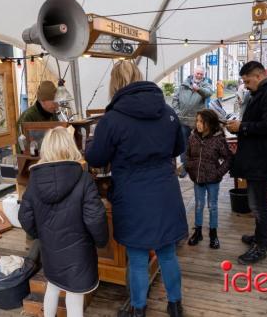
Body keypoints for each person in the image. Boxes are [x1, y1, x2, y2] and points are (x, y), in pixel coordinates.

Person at [86, 61, 188, 317]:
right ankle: (175, 306)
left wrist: (90, 144)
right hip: (165, 191)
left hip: (132, 195)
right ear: (140, 78)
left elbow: (96, 158)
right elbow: (178, 148)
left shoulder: (112, 119)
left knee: (139, 258)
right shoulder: (167, 112)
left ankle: (138, 309)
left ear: (114, 83)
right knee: (167, 254)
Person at [18, 127, 108, 317]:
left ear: (46, 149)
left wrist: (41, 234)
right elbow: (96, 217)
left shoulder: (34, 181)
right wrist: (101, 241)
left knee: (53, 286)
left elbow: (25, 217)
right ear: (70, 147)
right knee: (74, 297)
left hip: (50, 249)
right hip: (79, 252)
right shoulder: (83, 178)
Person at [226, 61, 267, 265]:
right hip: (256, 158)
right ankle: (261, 236)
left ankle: (261, 245)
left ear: (259, 76)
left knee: (258, 204)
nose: (246, 85)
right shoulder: (261, 93)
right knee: (257, 203)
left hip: (262, 158)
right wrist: (239, 126)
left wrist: (242, 126)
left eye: (247, 81)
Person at [185, 109, 232, 249]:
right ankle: (198, 232)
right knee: (199, 205)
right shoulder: (192, 137)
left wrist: (218, 173)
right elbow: (187, 155)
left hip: (212, 180)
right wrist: (189, 167)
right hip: (197, 178)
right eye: (197, 121)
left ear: (210, 123)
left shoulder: (218, 139)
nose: (198, 124)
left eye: (202, 121)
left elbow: (229, 158)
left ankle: (213, 234)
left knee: (212, 207)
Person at [172, 66, 213, 178]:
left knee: (199, 144)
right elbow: (175, 99)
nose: (199, 76)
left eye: (201, 74)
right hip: (183, 120)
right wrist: (177, 112)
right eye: (197, 74)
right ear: (193, 74)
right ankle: (185, 167)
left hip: (198, 122)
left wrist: (198, 89)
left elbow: (208, 93)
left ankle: (198, 167)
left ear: (203, 75)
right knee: (184, 145)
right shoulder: (183, 85)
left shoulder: (205, 85)